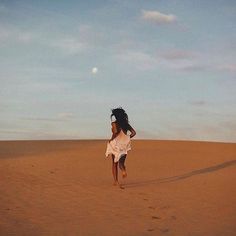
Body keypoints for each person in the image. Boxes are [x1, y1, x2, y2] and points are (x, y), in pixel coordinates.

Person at [105, 107, 136, 188]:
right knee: (121, 162)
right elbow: (133, 133)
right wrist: (127, 138)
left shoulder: (114, 123)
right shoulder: (126, 124)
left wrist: (110, 140)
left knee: (114, 163)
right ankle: (123, 170)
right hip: (124, 145)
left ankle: (116, 181)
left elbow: (115, 132)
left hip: (115, 144)